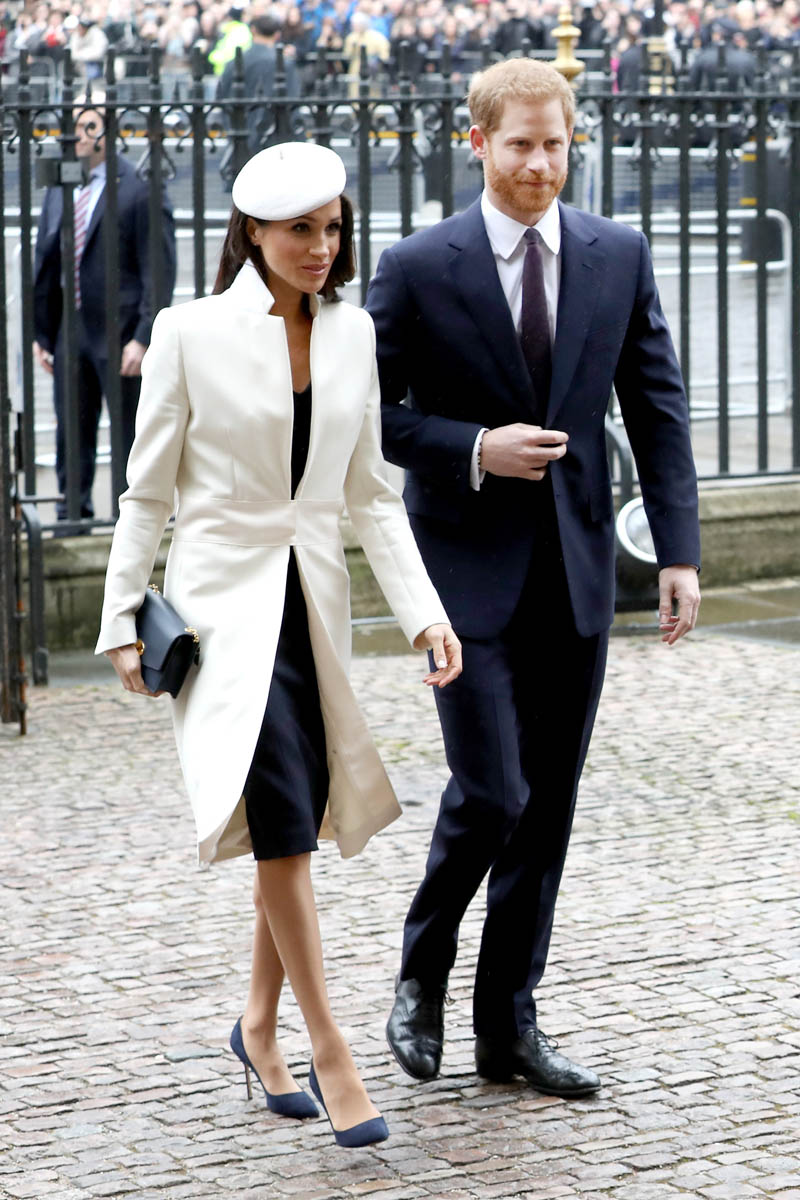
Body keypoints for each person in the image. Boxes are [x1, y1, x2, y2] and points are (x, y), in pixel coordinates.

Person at [95, 142, 462, 1148]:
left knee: (288, 821)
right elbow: (145, 493)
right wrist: (121, 615)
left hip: (314, 609)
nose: (321, 246)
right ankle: (330, 1049)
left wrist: (426, 613)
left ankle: (256, 1027)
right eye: (300, 229)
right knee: (284, 826)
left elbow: (371, 494)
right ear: (252, 232)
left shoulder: (353, 332)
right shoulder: (188, 333)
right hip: (221, 618)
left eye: (332, 228)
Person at [367, 57, 701, 1098]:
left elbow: (656, 405)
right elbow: (367, 418)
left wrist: (678, 551)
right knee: (492, 792)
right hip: (462, 575)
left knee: (545, 808)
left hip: (576, 571)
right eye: (518, 144)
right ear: (478, 143)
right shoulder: (417, 266)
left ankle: (507, 1025)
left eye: (554, 144)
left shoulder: (618, 253)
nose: (538, 165)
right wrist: (474, 446)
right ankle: (421, 972)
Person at [33, 96, 176, 522]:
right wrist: (43, 333)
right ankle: (72, 518)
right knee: (71, 430)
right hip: (70, 328)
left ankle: (132, 523)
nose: (76, 134)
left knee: (130, 434)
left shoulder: (139, 186)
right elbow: (47, 258)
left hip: (122, 331)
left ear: (109, 133)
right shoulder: (61, 184)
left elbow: (158, 267)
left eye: (88, 125)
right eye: (72, 125)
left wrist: (143, 336)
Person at [216, 15, 301, 153]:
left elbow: (222, 98)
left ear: (253, 30)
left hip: (240, 135)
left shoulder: (233, 63)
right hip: (274, 142)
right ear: (277, 35)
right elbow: (292, 105)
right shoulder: (284, 64)